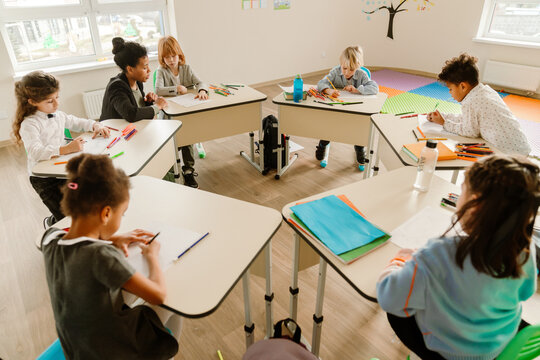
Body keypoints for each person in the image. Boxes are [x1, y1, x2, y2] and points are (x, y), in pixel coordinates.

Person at [377, 155, 539, 359]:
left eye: (462, 188)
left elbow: (388, 298)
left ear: (474, 204)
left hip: (449, 353)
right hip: (498, 345)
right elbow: (525, 292)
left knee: (397, 311)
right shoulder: (525, 248)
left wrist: (398, 262)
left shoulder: (437, 253)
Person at [40, 153, 181, 359]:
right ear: (106, 213)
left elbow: (73, 235)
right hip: (109, 352)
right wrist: (151, 256)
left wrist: (113, 238)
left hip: (76, 347)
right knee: (175, 300)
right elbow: (157, 295)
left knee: (125, 297)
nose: (121, 219)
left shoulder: (49, 239)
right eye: (122, 214)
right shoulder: (100, 256)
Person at [12, 71, 109, 227]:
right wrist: (66, 149)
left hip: (62, 171)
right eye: (50, 101)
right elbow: (35, 151)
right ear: (32, 101)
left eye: (57, 98)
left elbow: (77, 122)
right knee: (66, 219)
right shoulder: (29, 124)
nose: (56, 104)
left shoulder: (58, 114)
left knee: (77, 204)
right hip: (43, 179)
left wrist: (95, 125)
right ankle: (53, 223)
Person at [427, 53, 530, 155]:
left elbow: (470, 131)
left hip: (507, 153)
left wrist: (444, 123)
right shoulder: (486, 91)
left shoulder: (470, 102)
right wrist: (444, 116)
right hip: (521, 147)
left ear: (463, 86)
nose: (450, 93)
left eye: (450, 89)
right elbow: (469, 120)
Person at [155, 35, 209, 188]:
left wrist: (203, 90)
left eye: (174, 56)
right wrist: (175, 89)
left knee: (187, 140)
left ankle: (188, 171)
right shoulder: (161, 71)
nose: (171, 60)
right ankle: (172, 169)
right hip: (168, 115)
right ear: (162, 59)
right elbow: (158, 89)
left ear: (179, 55)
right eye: (167, 57)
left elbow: (201, 82)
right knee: (174, 142)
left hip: (186, 112)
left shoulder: (186, 68)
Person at [316, 46, 378, 170]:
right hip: (336, 109)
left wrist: (357, 90)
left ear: (358, 66)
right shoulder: (336, 71)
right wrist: (328, 90)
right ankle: (323, 143)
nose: (347, 72)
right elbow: (320, 83)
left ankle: (359, 147)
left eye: (351, 69)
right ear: (341, 65)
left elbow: (374, 88)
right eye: (344, 68)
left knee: (358, 127)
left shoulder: (362, 74)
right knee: (329, 124)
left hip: (355, 111)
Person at [100, 37, 167, 122]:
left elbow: (137, 109)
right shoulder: (116, 87)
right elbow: (131, 114)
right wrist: (158, 106)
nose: (149, 70)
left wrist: (148, 102)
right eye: (145, 67)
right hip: (114, 132)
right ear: (130, 69)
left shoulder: (138, 82)